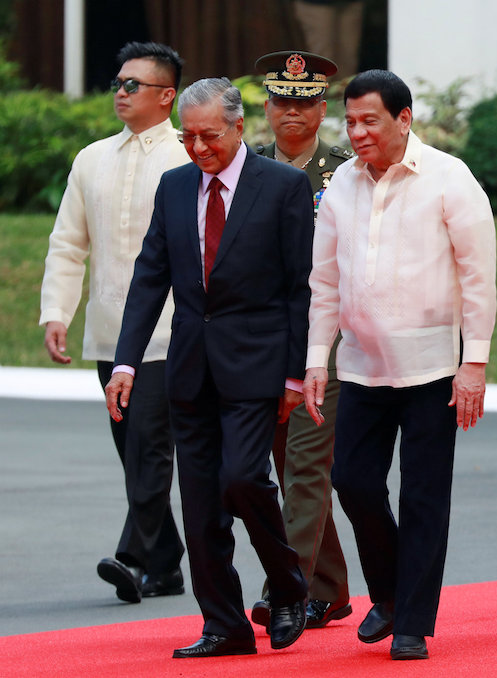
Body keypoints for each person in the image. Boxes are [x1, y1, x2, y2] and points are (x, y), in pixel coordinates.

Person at [104, 78, 312, 658]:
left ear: (240, 127)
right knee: (199, 507)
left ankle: (289, 584)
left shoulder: (284, 187)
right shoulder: (173, 187)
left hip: (258, 365)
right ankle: (225, 625)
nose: (198, 148)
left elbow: (302, 289)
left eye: (209, 136)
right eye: (189, 137)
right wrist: (125, 361)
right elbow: (150, 278)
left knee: (244, 480)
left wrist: (295, 373)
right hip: (190, 368)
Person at [303, 69, 497, 661]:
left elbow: (478, 278)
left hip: (435, 368)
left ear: (403, 119)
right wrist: (317, 359)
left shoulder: (449, 178)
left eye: (370, 121)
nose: (357, 132)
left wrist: (476, 364)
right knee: (353, 482)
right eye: (350, 121)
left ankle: (412, 621)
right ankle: (387, 594)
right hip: (361, 366)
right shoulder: (341, 186)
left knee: (423, 496)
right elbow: (325, 282)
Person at [39, 41, 189, 604]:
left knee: (151, 445)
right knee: (131, 447)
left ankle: (132, 558)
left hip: (172, 332)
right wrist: (57, 310)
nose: (121, 93)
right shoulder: (91, 158)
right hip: (109, 329)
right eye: (118, 83)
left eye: (135, 85)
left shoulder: (187, 156)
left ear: (167, 96)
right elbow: (67, 243)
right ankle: (169, 565)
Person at [249, 49, 354, 633]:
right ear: (266, 106)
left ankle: (283, 588)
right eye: (283, 102)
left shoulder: (344, 171)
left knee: (308, 464)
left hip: (325, 336)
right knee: (284, 465)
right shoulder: (246, 166)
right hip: (263, 338)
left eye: (305, 102)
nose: (293, 113)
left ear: (322, 109)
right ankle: (330, 588)